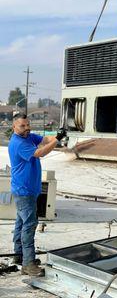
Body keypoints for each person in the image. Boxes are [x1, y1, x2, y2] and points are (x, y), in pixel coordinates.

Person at [8, 113, 66, 276]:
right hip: (24, 191)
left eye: (28, 125)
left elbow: (44, 140)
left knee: (21, 223)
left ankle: (19, 256)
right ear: (14, 127)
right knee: (29, 225)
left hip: (28, 190)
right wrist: (57, 140)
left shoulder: (27, 136)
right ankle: (28, 264)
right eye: (22, 126)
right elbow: (40, 153)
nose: (27, 128)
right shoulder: (18, 143)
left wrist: (56, 135)